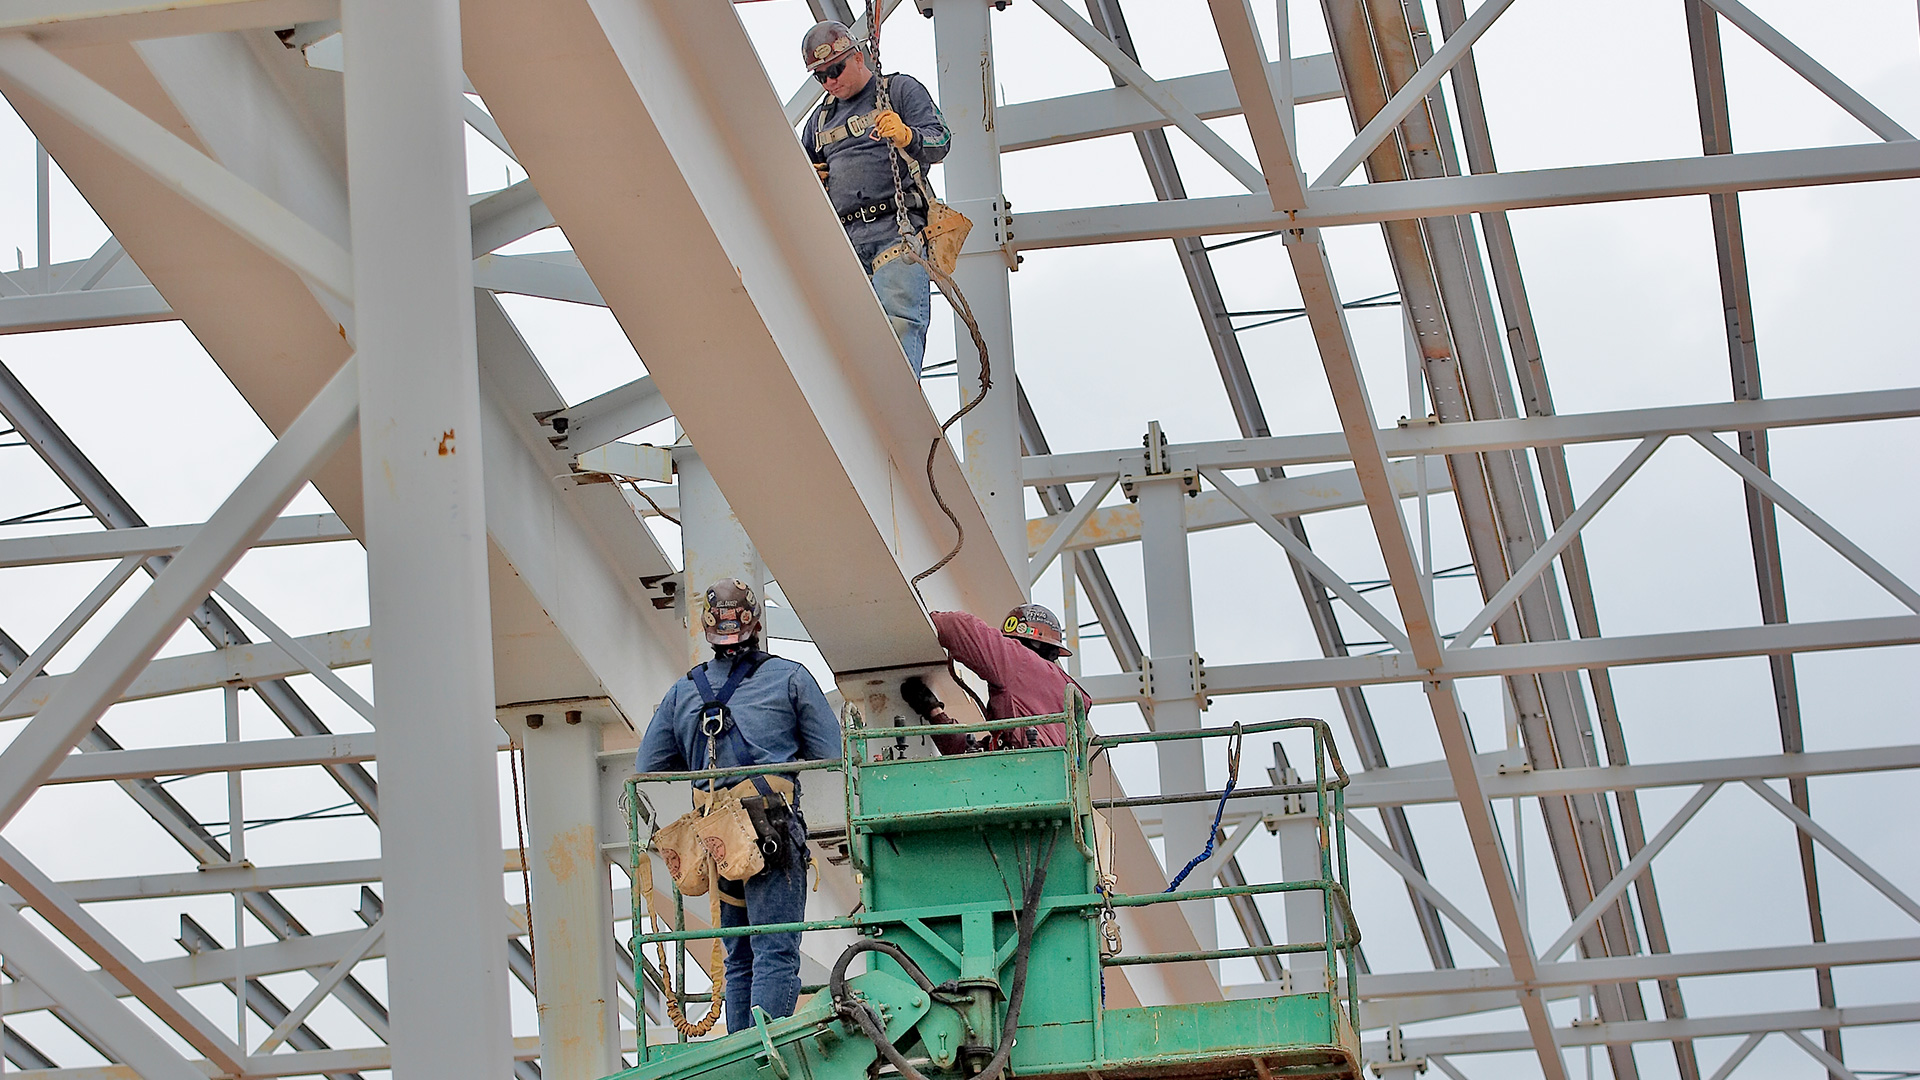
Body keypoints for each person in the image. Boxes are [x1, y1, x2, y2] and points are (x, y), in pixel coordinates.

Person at [636, 579, 841, 1032]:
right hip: (771, 829)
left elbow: (648, 764)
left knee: (739, 951)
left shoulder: (682, 692)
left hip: (718, 839)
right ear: (757, 624)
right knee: (775, 948)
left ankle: (741, 1048)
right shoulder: (790, 677)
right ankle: (764, 1053)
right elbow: (831, 751)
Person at [801, 20, 951, 376]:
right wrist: (813, 180)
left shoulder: (898, 90)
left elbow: (939, 141)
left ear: (857, 57)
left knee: (899, 328)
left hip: (896, 234)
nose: (830, 81)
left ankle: (896, 415)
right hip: (846, 243)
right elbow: (799, 173)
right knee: (846, 343)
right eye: (820, 77)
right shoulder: (819, 120)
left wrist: (907, 135)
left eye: (835, 70)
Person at [902, 605, 1079, 755]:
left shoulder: (1020, 663)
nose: (1008, 648)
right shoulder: (1062, 703)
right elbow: (972, 756)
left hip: (1024, 774)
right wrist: (934, 713)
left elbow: (957, 627)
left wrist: (913, 617)